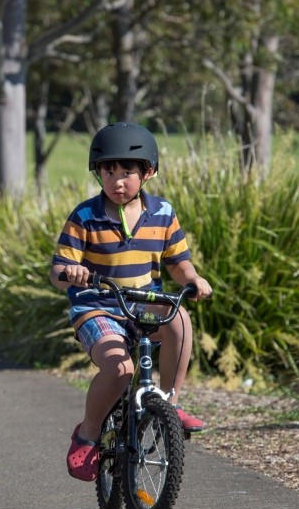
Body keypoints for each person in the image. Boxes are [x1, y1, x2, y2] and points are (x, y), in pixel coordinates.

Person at [49, 122, 213, 482]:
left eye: (127, 173)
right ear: (98, 173)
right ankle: (88, 433)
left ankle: (169, 400)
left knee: (179, 319)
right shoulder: (85, 217)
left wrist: (194, 279)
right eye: (109, 172)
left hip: (143, 302)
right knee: (120, 369)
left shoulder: (163, 214)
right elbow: (58, 269)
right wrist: (71, 273)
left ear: (148, 173)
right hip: (98, 307)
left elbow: (178, 263)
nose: (117, 181)